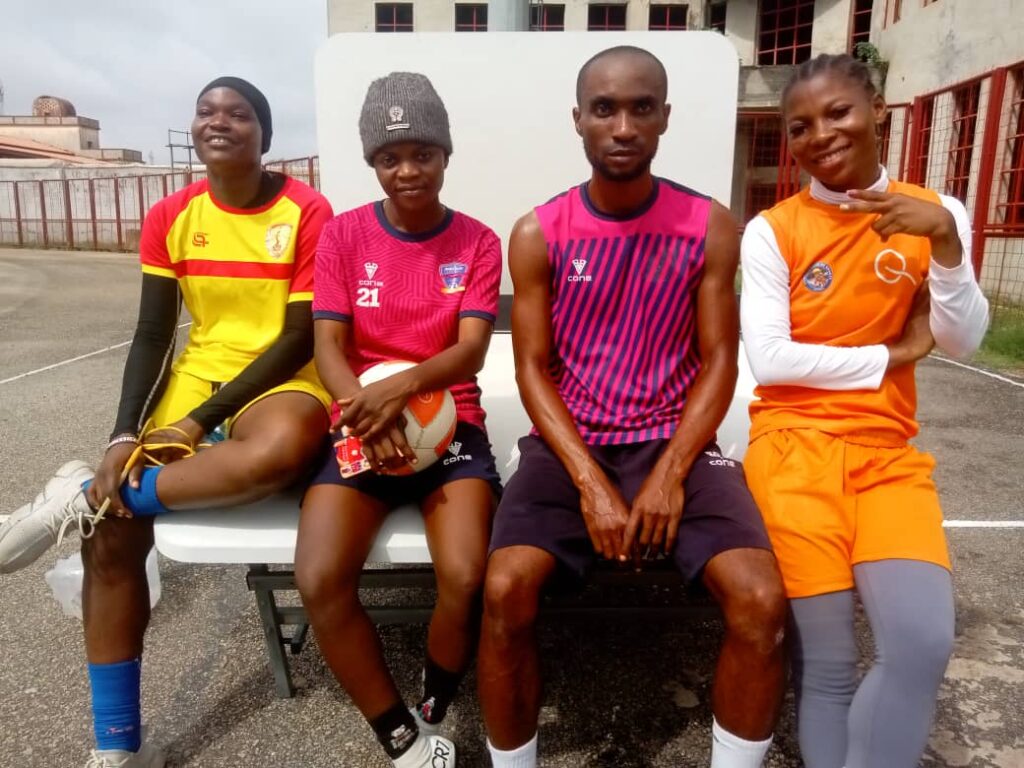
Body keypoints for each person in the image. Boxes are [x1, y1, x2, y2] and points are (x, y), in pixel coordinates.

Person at [0, 77, 333, 767]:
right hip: (196, 379)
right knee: (115, 531)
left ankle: (76, 498)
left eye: (238, 114)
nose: (220, 122)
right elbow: (153, 333)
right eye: (207, 112)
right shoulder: (172, 215)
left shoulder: (306, 209)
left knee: (280, 452)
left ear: (265, 135)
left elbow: (299, 334)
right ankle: (118, 746)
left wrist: (197, 425)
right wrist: (124, 435)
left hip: (282, 380)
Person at [477, 46, 787, 768]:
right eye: (605, 109)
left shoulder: (709, 226)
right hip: (571, 445)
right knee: (504, 591)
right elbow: (531, 368)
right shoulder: (539, 232)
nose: (623, 126)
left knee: (761, 602)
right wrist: (590, 482)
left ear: (665, 118)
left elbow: (720, 360)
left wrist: (670, 473)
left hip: (676, 442)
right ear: (578, 119)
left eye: (641, 108)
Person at [740, 54, 990, 768]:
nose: (820, 135)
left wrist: (945, 245)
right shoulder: (774, 230)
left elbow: (963, 340)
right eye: (800, 127)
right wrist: (892, 356)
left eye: (838, 112)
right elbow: (773, 360)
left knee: (921, 645)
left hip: (888, 458)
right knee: (828, 664)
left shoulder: (937, 213)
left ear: (877, 108)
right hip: (793, 454)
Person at [295, 72, 502, 768]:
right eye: (389, 157)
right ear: (372, 163)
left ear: (445, 154)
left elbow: (471, 350)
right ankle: (399, 733)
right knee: (319, 578)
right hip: (362, 427)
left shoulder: (477, 241)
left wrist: (399, 392)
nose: (407, 169)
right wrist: (367, 416)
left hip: (451, 426)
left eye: (422, 153)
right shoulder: (344, 235)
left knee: (466, 576)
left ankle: (436, 699)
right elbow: (329, 347)